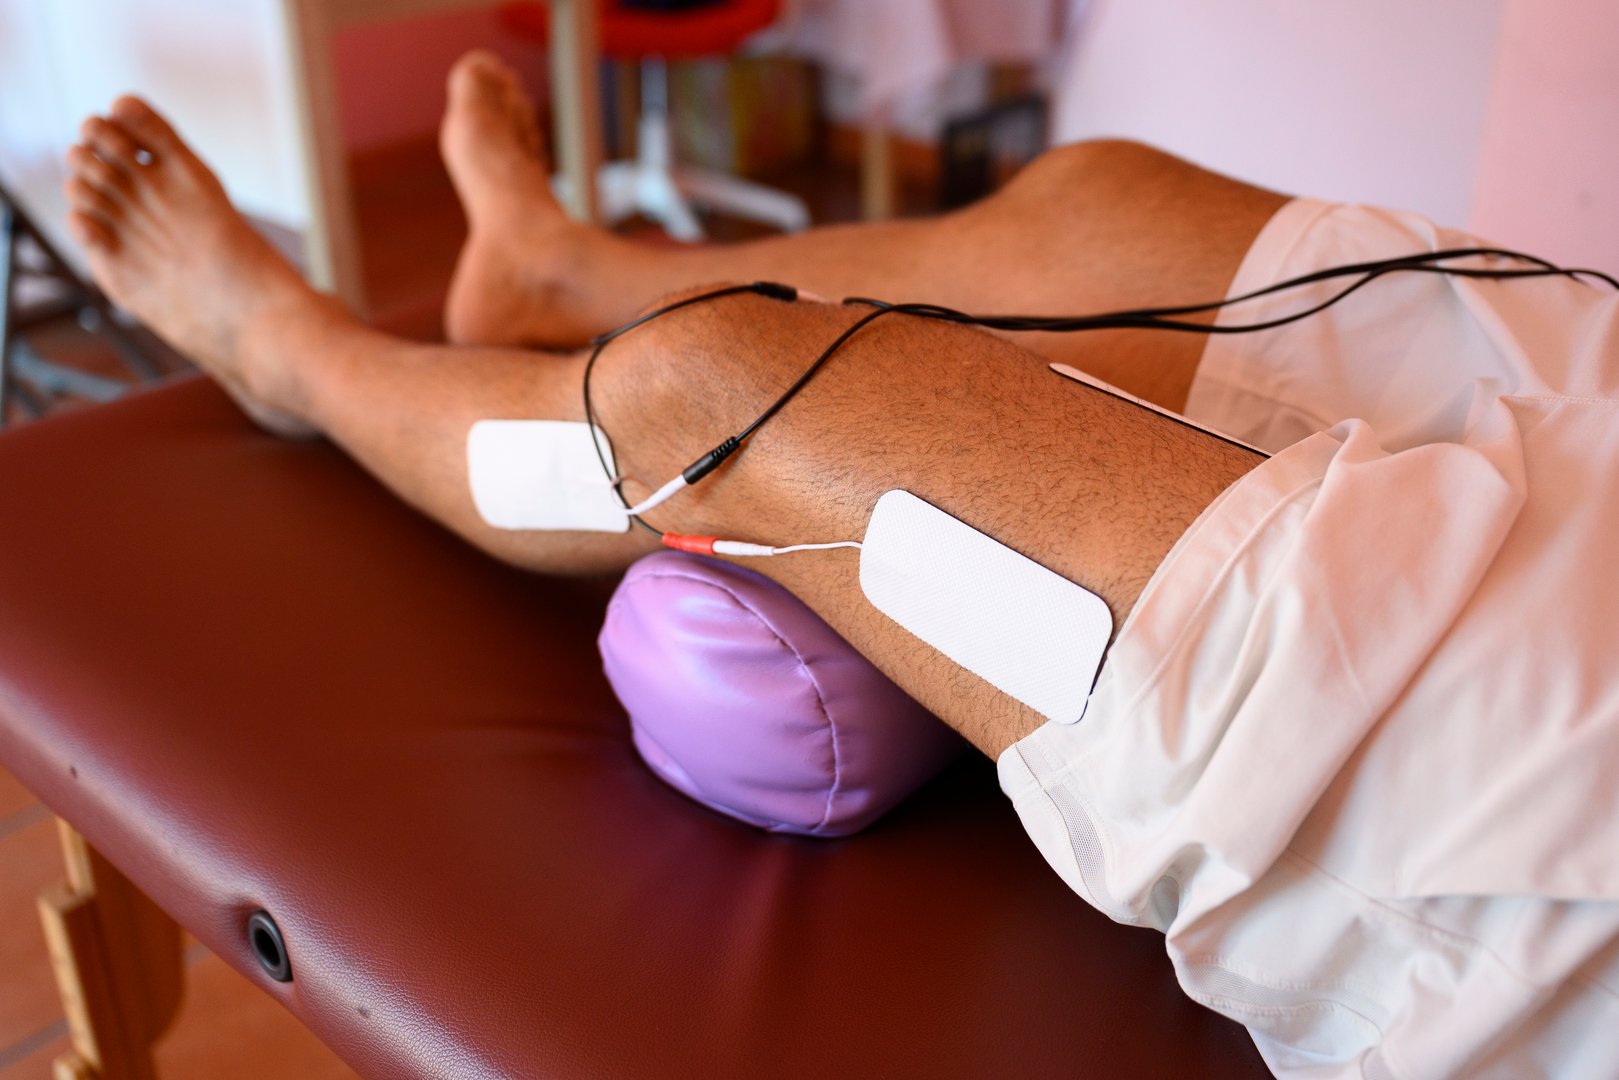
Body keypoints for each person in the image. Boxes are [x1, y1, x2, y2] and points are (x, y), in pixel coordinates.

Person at [60, 50, 1619, 1076]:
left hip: (1568, 801)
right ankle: (566, 272)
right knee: (1105, 209)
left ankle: (292, 354)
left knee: (719, 394)